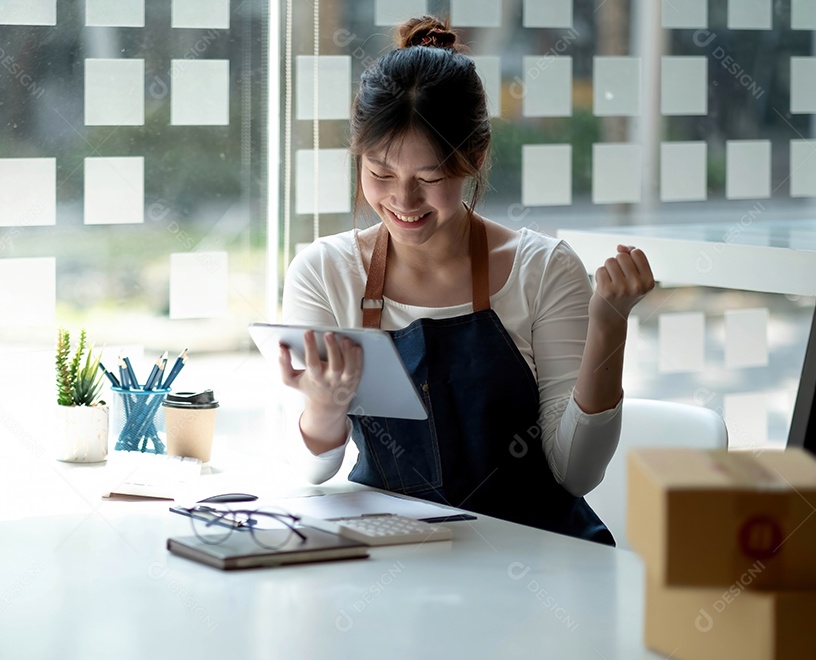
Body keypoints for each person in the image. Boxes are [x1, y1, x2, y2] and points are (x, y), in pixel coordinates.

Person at [278, 17, 655, 545]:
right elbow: (314, 473)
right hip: (400, 552)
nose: (403, 200)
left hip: (542, 556)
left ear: (474, 157)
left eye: (430, 178)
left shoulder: (543, 269)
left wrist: (609, 326)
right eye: (380, 174)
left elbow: (575, 473)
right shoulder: (324, 273)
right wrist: (323, 406)